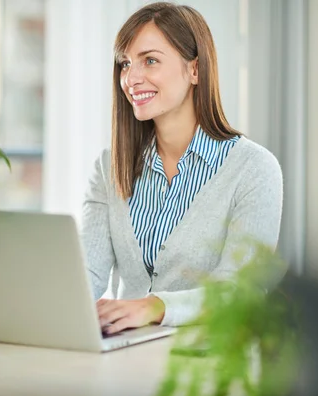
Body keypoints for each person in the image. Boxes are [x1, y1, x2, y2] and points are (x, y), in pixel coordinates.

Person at [81, 2, 283, 335]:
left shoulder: (254, 169)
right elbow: (87, 272)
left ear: (195, 71)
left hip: (205, 362)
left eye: (150, 61)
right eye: (125, 63)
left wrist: (155, 307)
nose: (131, 78)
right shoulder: (108, 167)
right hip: (123, 354)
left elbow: (240, 292)